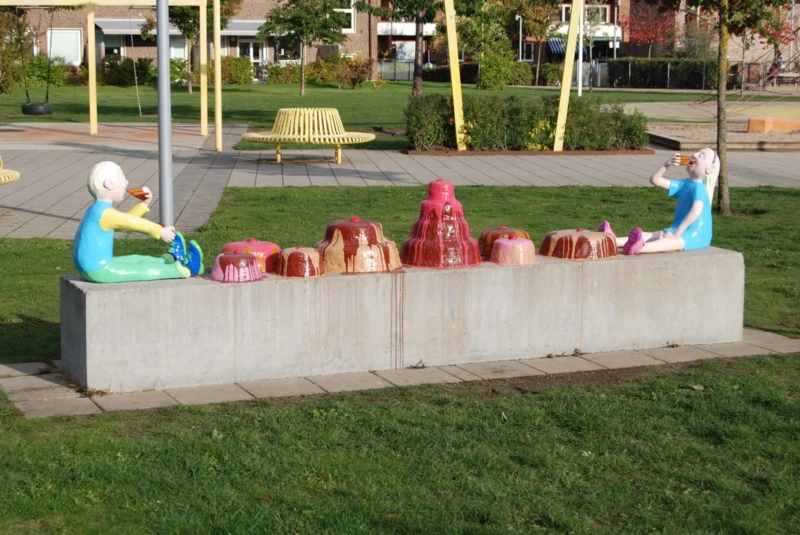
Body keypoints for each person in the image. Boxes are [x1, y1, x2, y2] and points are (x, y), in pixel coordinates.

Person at [73, 161, 203, 283]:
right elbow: (131, 222)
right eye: (123, 178)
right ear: (109, 184)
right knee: (141, 269)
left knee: (137, 259)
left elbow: (123, 223)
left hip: (95, 266)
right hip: (99, 270)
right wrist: (159, 231)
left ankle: (169, 259)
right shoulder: (104, 213)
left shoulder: (98, 209)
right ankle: (185, 269)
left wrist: (143, 205)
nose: (127, 182)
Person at [599, 147, 720, 255]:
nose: (694, 155)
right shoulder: (684, 184)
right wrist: (666, 165)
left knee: (667, 242)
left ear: (709, 169)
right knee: (650, 235)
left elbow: (695, 212)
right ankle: (612, 240)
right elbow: (655, 180)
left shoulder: (699, 188)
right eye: (697, 152)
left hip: (696, 235)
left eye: (701, 155)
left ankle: (639, 247)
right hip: (678, 229)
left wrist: (677, 234)